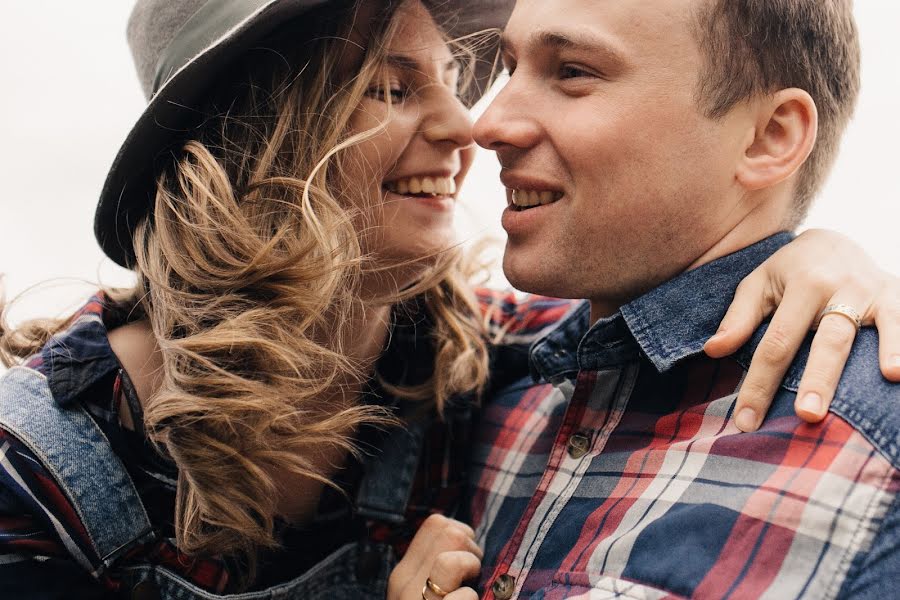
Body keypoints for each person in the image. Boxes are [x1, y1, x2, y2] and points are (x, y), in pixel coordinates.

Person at [0, 1, 896, 600]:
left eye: (573, 72)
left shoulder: (487, 361)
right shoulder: (40, 470)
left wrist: (822, 255)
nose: (474, 125)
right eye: (391, 89)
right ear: (243, 144)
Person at [464, 0, 900, 598]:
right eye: (509, 67)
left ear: (769, 137)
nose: (487, 125)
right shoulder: (484, 369)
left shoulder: (874, 452)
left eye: (571, 72)